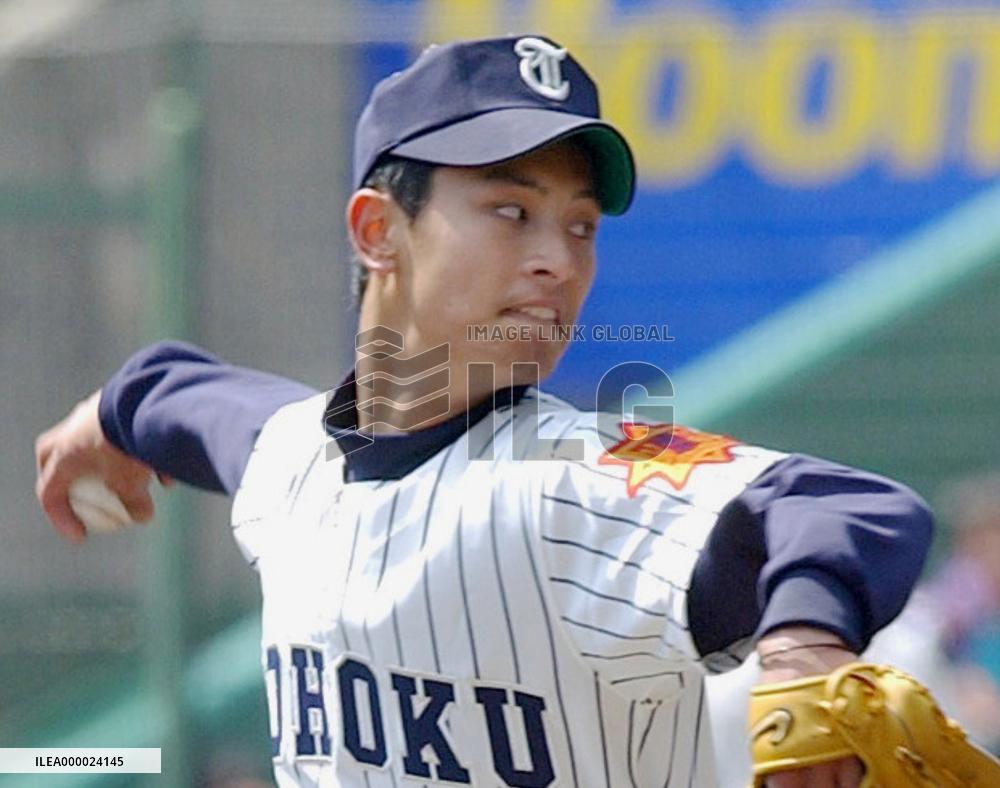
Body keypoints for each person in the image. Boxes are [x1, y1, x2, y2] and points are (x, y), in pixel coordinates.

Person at [36, 36, 933, 787]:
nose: (559, 260)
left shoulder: (586, 472)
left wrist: (804, 648)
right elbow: (206, 410)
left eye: (581, 225)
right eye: (511, 210)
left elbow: (841, 504)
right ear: (377, 231)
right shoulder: (292, 461)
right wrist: (116, 413)